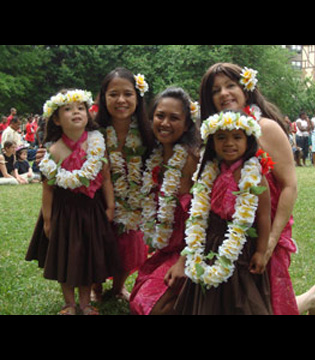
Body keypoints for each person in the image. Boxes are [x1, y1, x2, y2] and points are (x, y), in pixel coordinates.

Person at [196, 62, 315, 315]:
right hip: (227, 229)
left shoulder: (265, 128)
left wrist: (271, 242)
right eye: (215, 90)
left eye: (230, 85)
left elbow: (289, 185)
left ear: (246, 88)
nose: (223, 93)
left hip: (266, 225)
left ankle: (312, 298)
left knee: (268, 304)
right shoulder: (215, 134)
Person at [25, 89, 120, 315]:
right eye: (68, 109)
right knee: (64, 254)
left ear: (88, 115)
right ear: (56, 119)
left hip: (91, 209)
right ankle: (69, 303)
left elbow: (106, 178)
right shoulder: (54, 150)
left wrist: (110, 206)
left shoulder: (97, 144)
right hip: (63, 211)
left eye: (80, 108)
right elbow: (48, 188)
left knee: (87, 255)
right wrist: (47, 220)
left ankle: (86, 303)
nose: (75, 112)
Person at [175, 110, 272, 315]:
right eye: (221, 138)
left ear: (249, 141)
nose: (229, 143)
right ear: (212, 143)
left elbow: (264, 216)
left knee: (239, 299)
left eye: (237, 137)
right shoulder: (209, 172)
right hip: (210, 240)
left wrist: (261, 251)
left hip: (241, 245)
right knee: (208, 297)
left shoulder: (254, 176)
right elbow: (199, 212)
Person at [129, 87, 200, 315]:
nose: (165, 123)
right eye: (160, 116)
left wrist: (184, 259)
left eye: (174, 118)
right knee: (140, 303)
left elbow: (205, 218)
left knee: (155, 310)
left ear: (188, 124)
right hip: (165, 252)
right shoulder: (155, 156)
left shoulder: (192, 160)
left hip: (193, 253)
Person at [94, 68, 155, 301]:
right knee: (97, 243)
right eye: (113, 94)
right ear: (103, 98)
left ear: (138, 98)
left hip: (134, 203)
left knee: (128, 245)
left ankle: (118, 287)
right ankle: (95, 286)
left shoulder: (149, 132)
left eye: (128, 94)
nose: (121, 100)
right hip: (97, 202)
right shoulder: (92, 132)